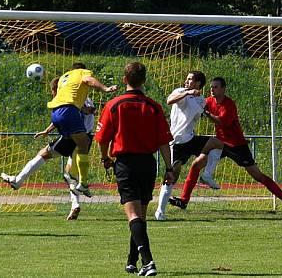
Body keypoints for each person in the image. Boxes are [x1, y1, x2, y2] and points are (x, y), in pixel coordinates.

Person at [95, 61, 174, 276]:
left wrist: (104, 158)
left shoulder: (114, 105)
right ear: (144, 81)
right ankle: (132, 260)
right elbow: (164, 142)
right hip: (148, 163)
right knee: (141, 215)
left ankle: (148, 262)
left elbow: (102, 139)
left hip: (126, 164)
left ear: (124, 79)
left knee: (132, 215)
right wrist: (169, 168)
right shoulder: (153, 106)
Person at [168, 77, 282, 210]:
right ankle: (185, 200)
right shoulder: (209, 101)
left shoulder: (229, 104)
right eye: (211, 87)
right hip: (220, 143)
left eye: (215, 87)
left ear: (223, 89)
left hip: (236, 145)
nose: (212, 89)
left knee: (258, 176)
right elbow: (197, 107)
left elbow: (221, 122)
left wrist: (205, 112)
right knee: (196, 164)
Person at [1, 62, 117, 197]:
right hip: (78, 129)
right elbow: (87, 81)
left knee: (47, 155)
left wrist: (48, 129)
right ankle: (82, 187)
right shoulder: (81, 76)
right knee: (74, 163)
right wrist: (105, 88)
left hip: (58, 114)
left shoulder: (64, 81)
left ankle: (19, 180)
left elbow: (68, 109)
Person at [154, 71, 224, 221]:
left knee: (218, 143)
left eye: (190, 79)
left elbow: (207, 113)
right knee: (172, 175)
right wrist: (187, 93)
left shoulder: (201, 101)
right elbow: (169, 100)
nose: (186, 81)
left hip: (190, 138)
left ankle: (207, 175)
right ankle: (160, 211)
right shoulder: (180, 92)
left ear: (198, 83)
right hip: (177, 142)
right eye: (186, 79)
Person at [63, 97, 95, 220]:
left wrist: (88, 109)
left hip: (80, 136)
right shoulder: (85, 97)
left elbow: (88, 109)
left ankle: (76, 201)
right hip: (85, 136)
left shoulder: (79, 97)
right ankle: (76, 200)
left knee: (69, 174)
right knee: (70, 173)